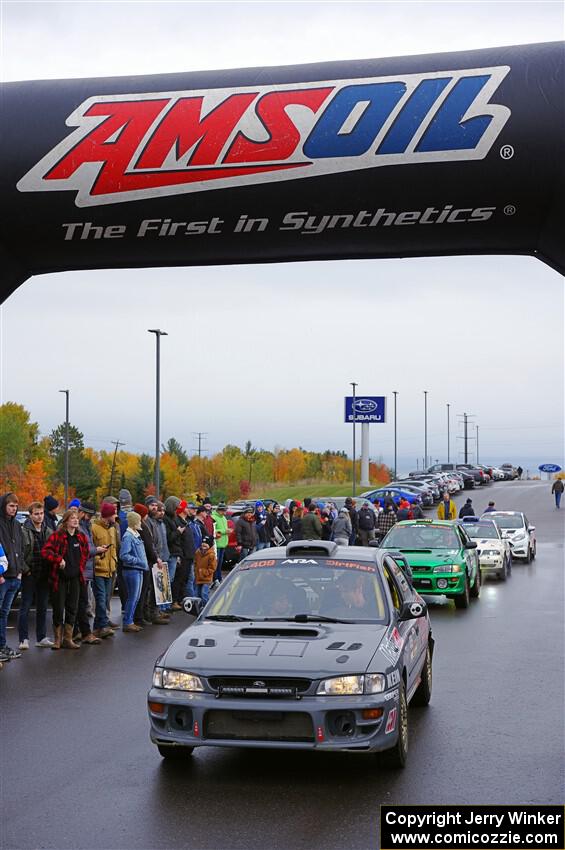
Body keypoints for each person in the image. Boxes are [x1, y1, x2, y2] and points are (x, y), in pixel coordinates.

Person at [41, 509, 90, 650]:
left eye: (76, 518)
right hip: (59, 578)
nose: (75, 520)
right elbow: (46, 551)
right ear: (66, 521)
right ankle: (57, 639)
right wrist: (58, 559)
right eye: (72, 518)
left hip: (75, 577)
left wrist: (79, 566)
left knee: (72, 608)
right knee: (58, 608)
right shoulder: (58, 536)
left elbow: (85, 553)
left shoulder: (80, 537)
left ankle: (68, 638)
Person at [18, 501, 55, 649]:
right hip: (30, 573)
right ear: (31, 515)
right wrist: (25, 570)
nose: (40, 517)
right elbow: (19, 553)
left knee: (42, 607)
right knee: (25, 606)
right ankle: (23, 639)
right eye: (36, 514)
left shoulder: (48, 530)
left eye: (41, 514)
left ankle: (41, 637)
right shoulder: (23, 530)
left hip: (44, 574)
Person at [74, 501, 104, 645]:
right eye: (89, 515)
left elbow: (88, 546)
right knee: (80, 602)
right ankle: (84, 632)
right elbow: (83, 550)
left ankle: (78, 631)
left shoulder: (86, 527)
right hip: (80, 570)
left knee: (80, 602)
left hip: (86, 570)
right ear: (83, 513)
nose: (90, 518)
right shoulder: (79, 528)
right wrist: (96, 550)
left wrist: (96, 550)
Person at [0, 492, 24, 661]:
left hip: (15, 576)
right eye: (11, 506)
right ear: (4, 506)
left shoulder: (16, 525)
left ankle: (2, 646)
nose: (14, 509)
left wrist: (20, 571)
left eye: (16, 506)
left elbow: (21, 548)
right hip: (2, 576)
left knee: (5, 613)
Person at [91, 502, 119, 638]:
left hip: (110, 568)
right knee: (101, 598)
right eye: (114, 513)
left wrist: (114, 562)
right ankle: (103, 625)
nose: (116, 516)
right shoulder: (94, 528)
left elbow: (114, 548)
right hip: (98, 569)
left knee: (106, 598)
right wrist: (97, 558)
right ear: (108, 515)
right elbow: (90, 549)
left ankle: (97, 627)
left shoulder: (112, 529)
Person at [119, 511, 149, 632]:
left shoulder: (136, 534)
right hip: (132, 570)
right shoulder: (128, 536)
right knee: (132, 597)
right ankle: (128, 622)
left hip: (139, 569)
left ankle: (130, 620)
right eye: (138, 520)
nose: (140, 522)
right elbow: (124, 555)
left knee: (135, 597)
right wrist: (138, 561)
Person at [194, 536, 217, 603]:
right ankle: (198, 608)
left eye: (206, 543)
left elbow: (213, 567)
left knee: (204, 594)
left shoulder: (211, 555)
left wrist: (204, 572)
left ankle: (205, 608)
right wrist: (196, 571)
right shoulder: (198, 553)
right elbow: (195, 562)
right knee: (197, 594)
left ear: (209, 545)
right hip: (198, 577)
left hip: (206, 578)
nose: (204, 544)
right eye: (203, 543)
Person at [211, 503, 229, 581]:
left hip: (223, 543)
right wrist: (225, 531)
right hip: (217, 544)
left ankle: (219, 577)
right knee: (216, 563)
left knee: (220, 563)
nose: (226, 512)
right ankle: (215, 579)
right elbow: (214, 530)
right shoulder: (214, 517)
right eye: (224, 510)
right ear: (220, 510)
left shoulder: (224, 518)